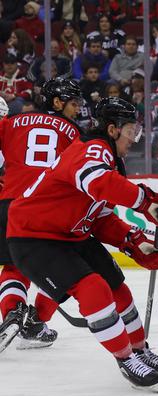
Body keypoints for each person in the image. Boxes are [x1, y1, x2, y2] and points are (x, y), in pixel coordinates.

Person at [6, 97, 158, 392]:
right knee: (93, 289)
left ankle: (139, 349)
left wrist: (135, 244)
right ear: (112, 129)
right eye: (130, 131)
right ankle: (125, 358)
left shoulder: (110, 159)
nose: (133, 139)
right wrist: (145, 201)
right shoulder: (91, 149)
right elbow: (98, 183)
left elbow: (100, 216)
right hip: (33, 237)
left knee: (117, 288)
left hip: (71, 234)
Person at [0, 78, 83, 353]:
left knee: (13, 266)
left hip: (10, 203)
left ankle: (12, 311)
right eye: (73, 103)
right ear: (57, 102)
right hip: (49, 207)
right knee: (65, 268)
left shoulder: (12, 122)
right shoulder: (75, 133)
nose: (77, 109)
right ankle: (34, 325)